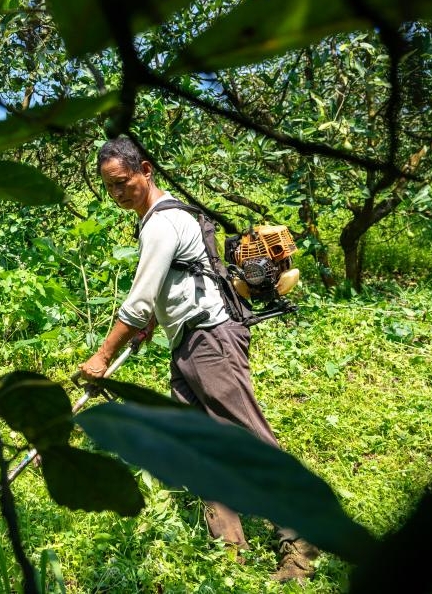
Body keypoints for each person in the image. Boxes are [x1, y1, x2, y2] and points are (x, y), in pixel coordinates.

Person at [78, 136, 318, 582]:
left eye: (123, 182)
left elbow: (138, 299)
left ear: (145, 171)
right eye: (109, 187)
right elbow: (168, 292)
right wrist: (155, 322)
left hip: (210, 340)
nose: (117, 194)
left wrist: (102, 355)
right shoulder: (160, 221)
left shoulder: (161, 223)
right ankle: (229, 555)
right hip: (189, 342)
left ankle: (301, 537)